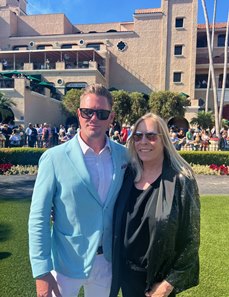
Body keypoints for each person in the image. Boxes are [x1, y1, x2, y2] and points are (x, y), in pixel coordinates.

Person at [28, 84, 129, 297]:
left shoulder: (124, 157)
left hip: (107, 264)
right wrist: (41, 272)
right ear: (78, 114)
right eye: (87, 112)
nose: (94, 118)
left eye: (102, 114)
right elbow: (39, 218)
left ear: (111, 118)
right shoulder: (54, 158)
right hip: (65, 264)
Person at [109, 113, 200, 297]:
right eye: (138, 136)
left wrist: (167, 285)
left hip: (158, 284)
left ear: (164, 140)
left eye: (151, 136)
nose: (143, 141)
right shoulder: (127, 175)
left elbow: (191, 240)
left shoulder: (181, 181)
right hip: (126, 278)